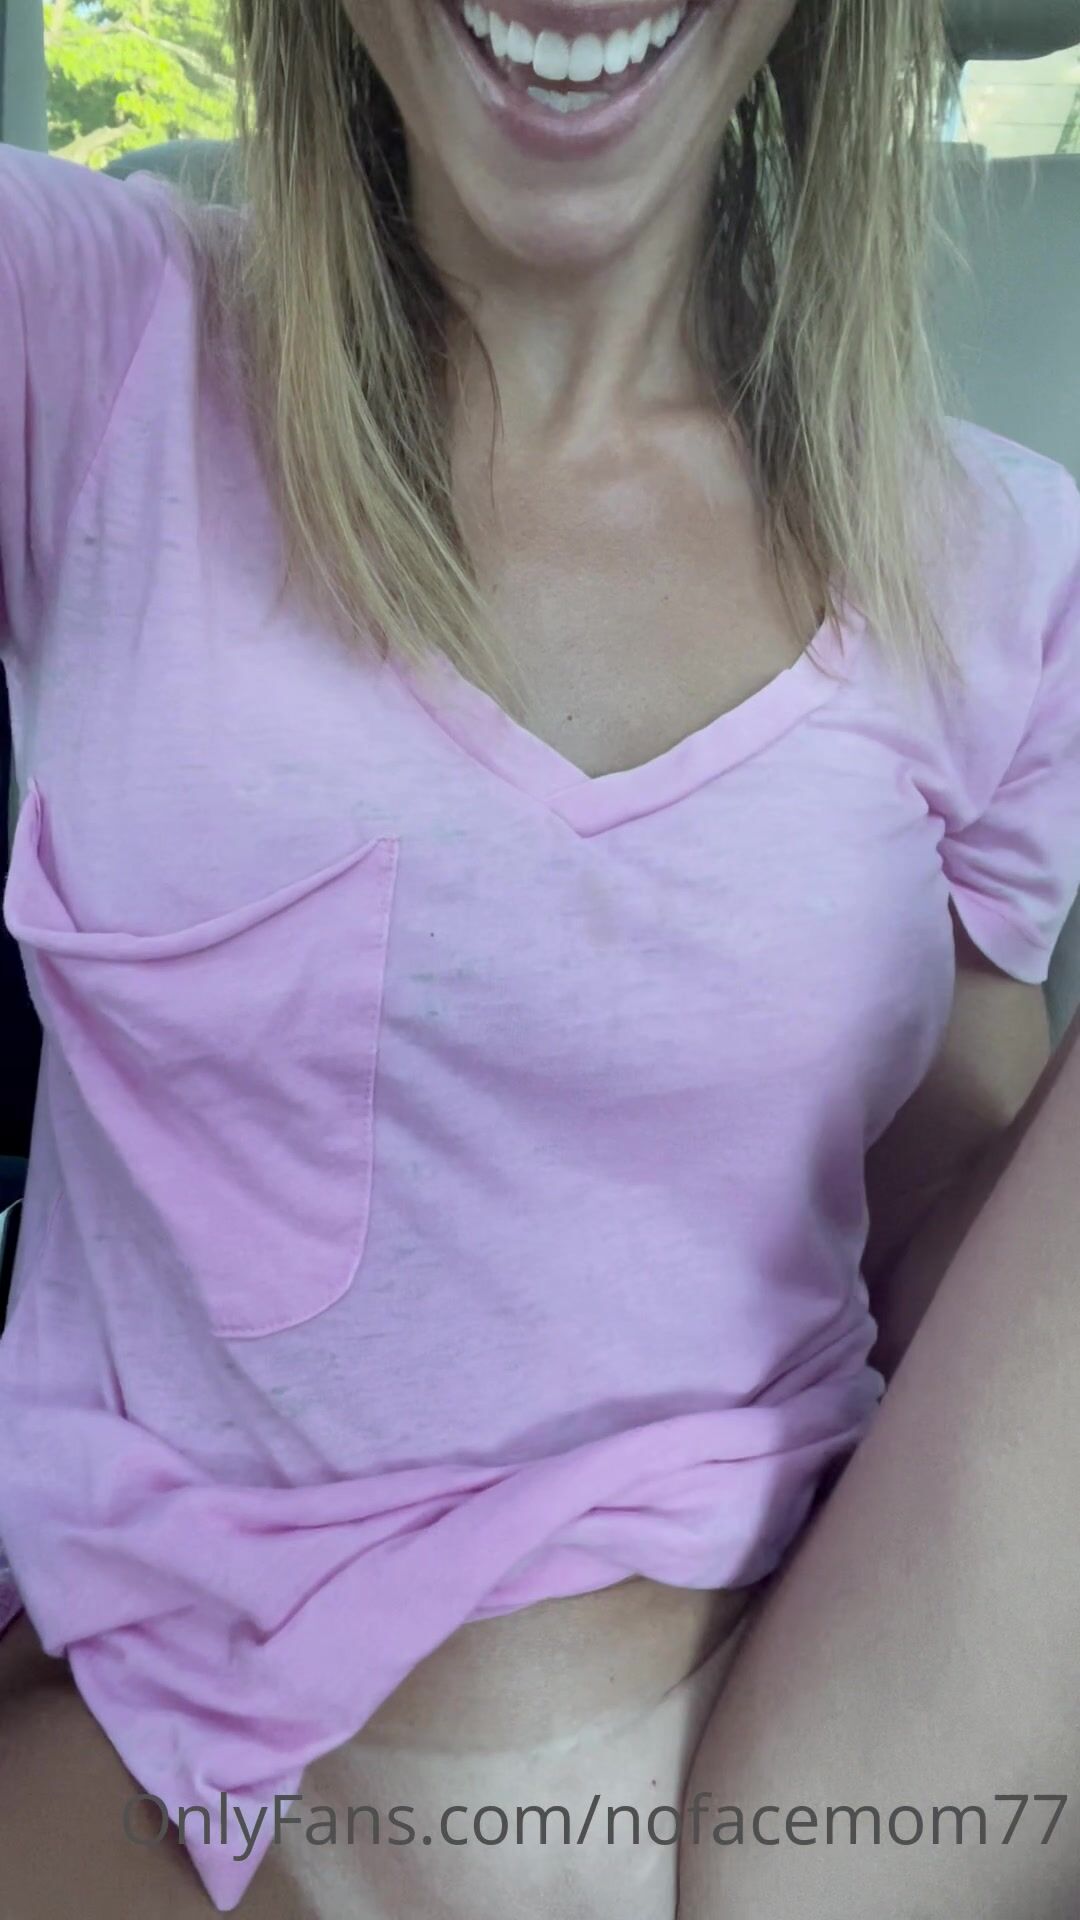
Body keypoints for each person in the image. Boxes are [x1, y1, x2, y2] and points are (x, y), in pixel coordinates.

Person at [0, 0, 1078, 1914]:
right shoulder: (94, 336)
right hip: (176, 1753)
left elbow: (929, 1232)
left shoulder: (1004, 570)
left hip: (800, 1774)